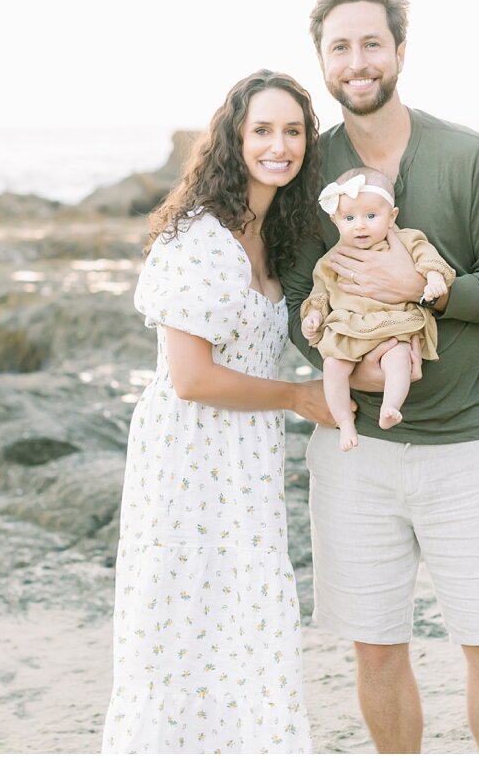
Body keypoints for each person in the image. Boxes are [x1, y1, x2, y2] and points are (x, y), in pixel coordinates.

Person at [280, 0, 479, 754]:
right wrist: (351, 377)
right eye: (339, 47)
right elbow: (295, 296)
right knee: (374, 644)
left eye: (370, 43)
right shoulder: (304, 168)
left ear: (398, 51)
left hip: (466, 444)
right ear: (322, 61)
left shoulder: (466, 155)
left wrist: (425, 294)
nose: (356, 61)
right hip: (355, 451)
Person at [101, 69, 335, 755]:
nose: (278, 144)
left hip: (244, 463)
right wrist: (297, 397)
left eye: (292, 130)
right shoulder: (200, 237)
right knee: (181, 630)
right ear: (233, 139)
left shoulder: (275, 235)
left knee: (242, 627)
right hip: (187, 465)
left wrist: (472, 352)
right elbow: (192, 377)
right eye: (261, 129)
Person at [300, 166, 454, 449]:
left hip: (391, 324)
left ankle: (390, 406)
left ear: (391, 216)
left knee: (398, 357)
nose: (360, 225)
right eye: (349, 218)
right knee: (333, 366)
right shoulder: (331, 259)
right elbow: (320, 292)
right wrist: (313, 316)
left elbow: (426, 256)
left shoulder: (405, 240)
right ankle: (345, 421)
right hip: (350, 327)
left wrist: (433, 278)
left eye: (371, 216)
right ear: (335, 220)